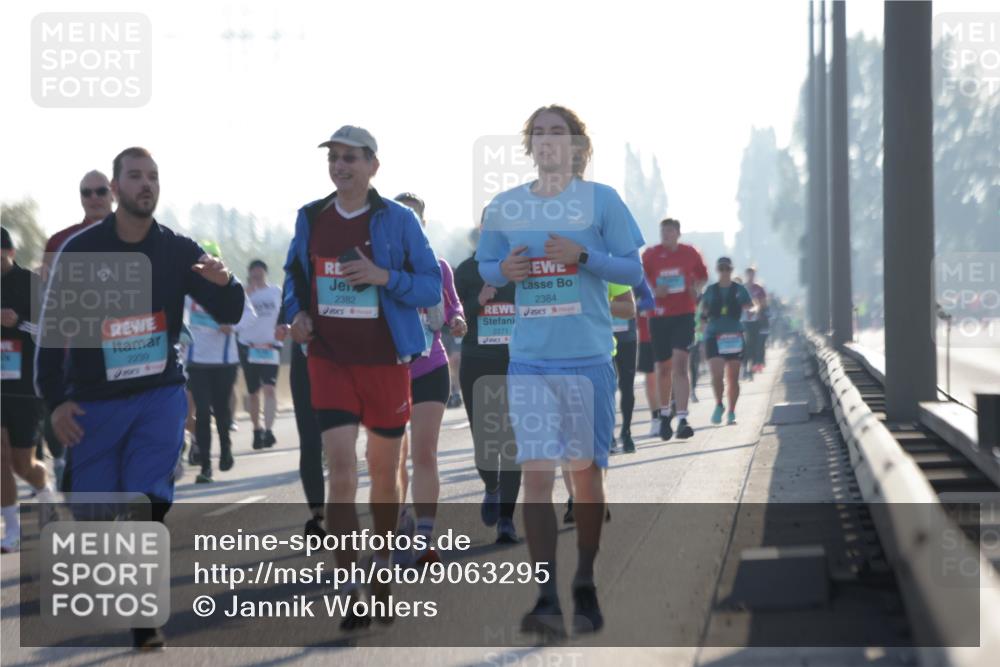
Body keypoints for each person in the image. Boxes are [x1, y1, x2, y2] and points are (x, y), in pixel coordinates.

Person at [35, 147, 244, 648]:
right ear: (115, 186)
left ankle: (144, 614)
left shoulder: (177, 249)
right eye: (135, 176)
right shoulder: (81, 252)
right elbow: (51, 337)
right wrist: (56, 404)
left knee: (145, 501)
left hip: (159, 393)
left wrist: (226, 281)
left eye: (153, 177)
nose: (145, 184)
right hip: (94, 403)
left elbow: (230, 309)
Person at [476, 105, 644, 636]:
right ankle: (546, 594)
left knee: (586, 477)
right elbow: (486, 263)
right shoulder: (505, 205)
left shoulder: (603, 201)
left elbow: (633, 270)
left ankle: (586, 581)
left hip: (589, 359)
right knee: (537, 476)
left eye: (559, 132)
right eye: (539, 133)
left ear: (577, 145)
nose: (548, 140)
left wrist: (584, 255)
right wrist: (504, 270)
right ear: (529, 146)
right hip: (528, 360)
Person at [282, 126, 441, 628]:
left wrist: (382, 277)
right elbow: (295, 277)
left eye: (351, 158)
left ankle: (383, 575)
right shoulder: (311, 217)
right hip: (328, 360)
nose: (340, 166)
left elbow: (429, 285)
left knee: (385, 477)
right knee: (341, 471)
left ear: (374, 165)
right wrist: (297, 315)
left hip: (387, 362)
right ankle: (351, 586)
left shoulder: (398, 221)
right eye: (334, 158)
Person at [393, 192, 466, 566]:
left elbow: (454, 307)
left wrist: (458, 321)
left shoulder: (438, 266)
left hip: (430, 367)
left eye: (414, 217)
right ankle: (398, 519)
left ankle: (423, 537)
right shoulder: (379, 268)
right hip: (389, 373)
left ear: (422, 223)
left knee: (424, 453)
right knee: (393, 458)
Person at [36, 170, 115, 488]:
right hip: (78, 357)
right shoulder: (60, 242)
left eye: (100, 191)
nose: (94, 198)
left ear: (113, 193)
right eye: (87, 192)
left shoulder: (138, 234)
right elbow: (48, 306)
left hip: (129, 353)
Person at [454, 243, 521, 543]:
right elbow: (452, 321)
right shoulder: (466, 271)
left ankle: (506, 519)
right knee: (484, 439)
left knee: (510, 442)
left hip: (515, 363)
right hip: (477, 363)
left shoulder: (522, 268)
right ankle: (491, 487)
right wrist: (477, 301)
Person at [1, 228, 57, 554]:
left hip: (24, 384)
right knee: (0, 456)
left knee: (23, 463)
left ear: (8, 251)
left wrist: (18, 321)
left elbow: (50, 329)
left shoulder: (29, 283)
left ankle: (45, 492)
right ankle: (12, 531)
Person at [184, 241, 256, 483]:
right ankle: (205, 465)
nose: (208, 265)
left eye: (212, 260)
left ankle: (225, 448)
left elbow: (250, 316)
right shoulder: (188, 290)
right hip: (196, 361)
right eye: (203, 261)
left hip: (225, 361)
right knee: (202, 412)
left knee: (222, 410)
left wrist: (232, 326)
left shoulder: (231, 288)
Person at [641, 218, 707, 441]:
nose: (665, 235)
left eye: (669, 231)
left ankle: (682, 418)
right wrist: (653, 291)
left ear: (678, 233)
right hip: (659, 316)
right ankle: (665, 415)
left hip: (684, 315)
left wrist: (695, 288)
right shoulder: (650, 254)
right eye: (663, 232)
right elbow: (639, 281)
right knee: (663, 368)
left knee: (680, 363)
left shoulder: (690, 253)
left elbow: (702, 276)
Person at [701, 257, 755, 425]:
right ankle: (719, 404)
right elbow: (703, 314)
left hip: (734, 336)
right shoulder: (710, 290)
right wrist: (702, 333)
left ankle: (731, 411)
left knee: (733, 377)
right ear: (717, 270)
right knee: (717, 375)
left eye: (727, 269)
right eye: (721, 268)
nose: (724, 272)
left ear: (731, 270)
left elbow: (750, 305)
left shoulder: (739, 289)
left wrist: (751, 311)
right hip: (714, 336)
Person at [237, 259, 283, 450]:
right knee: (253, 392)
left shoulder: (276, 292)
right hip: (249, 346)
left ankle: (269, 430)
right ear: (249, 274)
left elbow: (284, 314)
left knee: (270, 388)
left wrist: (284, 329)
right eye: (253, 274)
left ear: (265, 273)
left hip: (270, 346)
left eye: (260, 273)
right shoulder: (243, 293)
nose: (257, 277)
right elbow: (235, 314)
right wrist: (248, 292)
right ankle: (257, 429)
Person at [635, 309, 660, 438]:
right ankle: (656, 418)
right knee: (651, 380)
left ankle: (671, 411)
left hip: (665, 334)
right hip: (646, 338)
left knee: (668, 375)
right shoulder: (637, 288)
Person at [743, 266, 769, 376]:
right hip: (743, 320)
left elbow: (764, 304)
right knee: (745, 344)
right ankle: (745, 366)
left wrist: (757, 305)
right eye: (749, 274)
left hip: (755, 320)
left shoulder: (759, 288)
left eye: (752, 274)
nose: (750, 276)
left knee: (754, 343)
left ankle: (753, 365)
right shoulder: (742, 288)